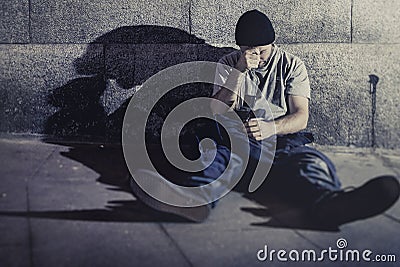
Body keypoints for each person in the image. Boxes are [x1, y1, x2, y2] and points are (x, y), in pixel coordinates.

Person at [129, 10, 400, 227]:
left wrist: (271, 127)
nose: (256, 56)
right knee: (219, 157)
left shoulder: (292, 66)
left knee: (310, 161)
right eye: (249, 49)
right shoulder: (229, 62)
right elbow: (217, 111)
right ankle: (194, 199)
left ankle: (329, 204)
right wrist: (239, 70)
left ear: (274, 43)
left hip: (281, 145)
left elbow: (301, 117)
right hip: (236, 143)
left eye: (262, 50)